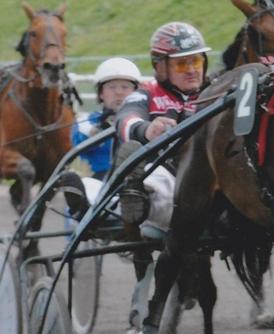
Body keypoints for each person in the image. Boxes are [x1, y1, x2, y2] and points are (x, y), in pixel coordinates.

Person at [114, 21, 212, 229]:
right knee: (159, 180)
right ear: (160, 67)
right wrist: (146, 130)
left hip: (209, 173)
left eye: (196, 61)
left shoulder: (216, 92)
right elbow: (125, 120)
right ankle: (137, 198)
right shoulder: (146, 93)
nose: (192, 70)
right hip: (166, 171)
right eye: (182, 64)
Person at [58, 57, 142, 218]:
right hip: (102, 180)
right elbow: (81, 141)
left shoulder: (146, 120)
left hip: (140, 178)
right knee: (83, 185)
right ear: (101, 94)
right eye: (112, 87)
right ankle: (82, 212)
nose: (118, 92)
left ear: (136, 92)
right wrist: (101, 128)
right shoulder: (88, 120)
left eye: (125, 87)